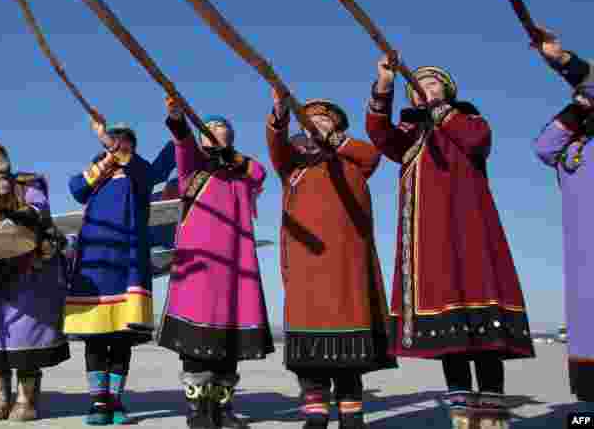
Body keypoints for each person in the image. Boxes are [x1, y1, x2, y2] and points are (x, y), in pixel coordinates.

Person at [366, 57, 534, 429]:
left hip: (470, 231)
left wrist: (442, 112)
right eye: (418, 83)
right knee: (447, 328)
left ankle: (491, 413)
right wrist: (384, 85)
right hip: (428, 239)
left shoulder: (469, 120)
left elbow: (477, 142)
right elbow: (380, 135)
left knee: (482, 320)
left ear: (448, 91)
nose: (424, 86)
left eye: (432, 82)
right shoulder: (410, 132)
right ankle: (460, 411)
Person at [267, 90, 396, 429]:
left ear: (338, 126)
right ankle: (316, 412)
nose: (317, 123)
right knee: (309, 349)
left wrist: (335, 140)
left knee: (349, 349)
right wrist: (279, 113)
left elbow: (372, 156)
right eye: (311, 119)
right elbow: (276, 147)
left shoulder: (352, 161)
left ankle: (352, 413)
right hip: (305, 266)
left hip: (347, 265)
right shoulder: (292, 165)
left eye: (325, 119)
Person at [161, 97, 270, 429]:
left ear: (231, 137)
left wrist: (231, 157)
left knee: (229, 343)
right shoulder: (193, 167)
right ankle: (198, 411)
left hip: (236, 264)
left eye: (223, 127)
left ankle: (223, 409)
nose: (216, 130)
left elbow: (260, 173)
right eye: (209, 128)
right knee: (195, 339)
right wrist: (178, 119)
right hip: (199, 263)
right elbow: (182, 142)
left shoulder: (240, 170)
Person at [66, 118, 175, 426]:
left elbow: (159, 168)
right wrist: (103, 163)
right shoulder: (94, 179)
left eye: (125, 140)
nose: (118, 144)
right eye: (113, 140)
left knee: (122, 338)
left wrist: (178, 130)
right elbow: (76, 188)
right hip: (94, 264)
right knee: (95, 338)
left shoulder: (138, 175)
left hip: (127, 266)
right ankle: (98, 402)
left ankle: (115, 401)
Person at [0, 137, 70, 422]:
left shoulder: (27, 185)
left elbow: (39, 211)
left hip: (33, 274)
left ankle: (25, 402)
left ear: (0, 160)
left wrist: (11, 206)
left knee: (27, 338)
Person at [533, 33, 593, 403]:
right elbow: (543, 147)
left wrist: (561, 59)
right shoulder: (573, 148)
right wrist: (577, 111)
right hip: (583, 252)